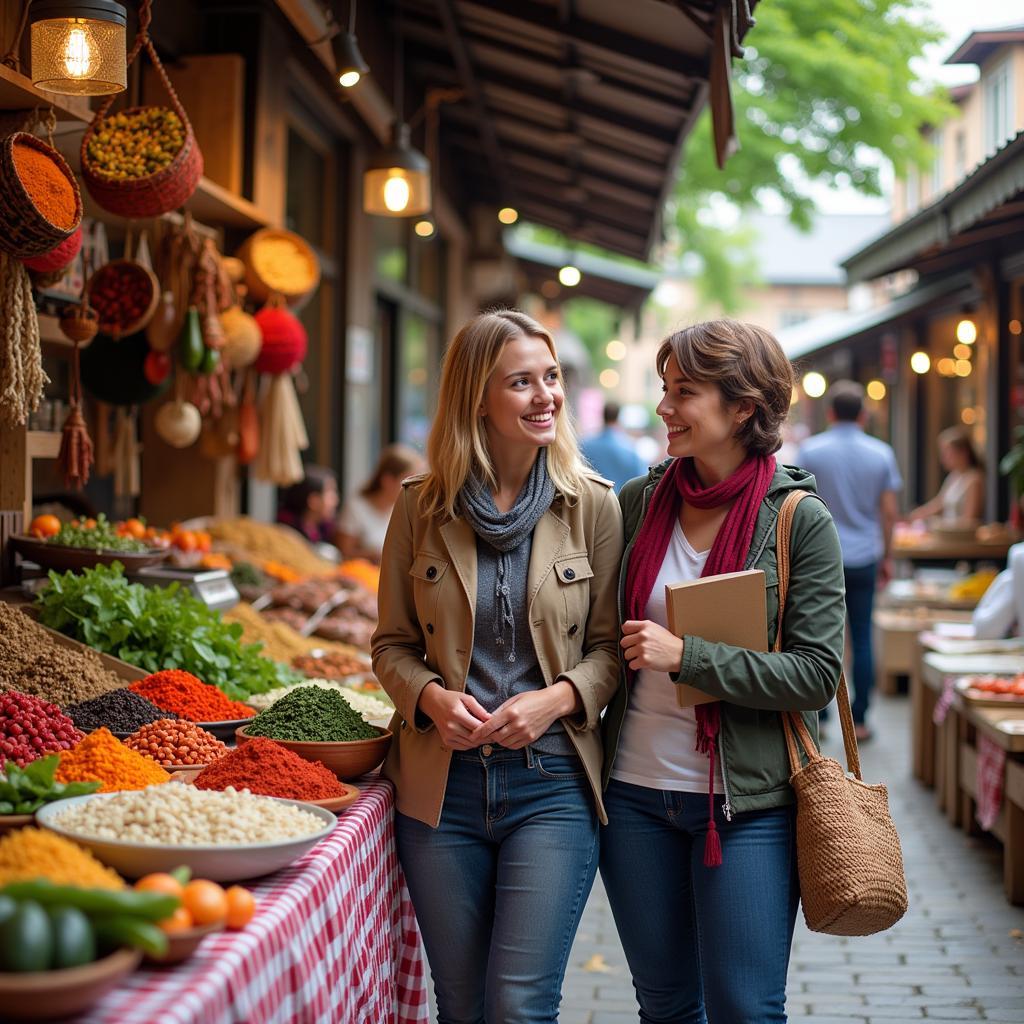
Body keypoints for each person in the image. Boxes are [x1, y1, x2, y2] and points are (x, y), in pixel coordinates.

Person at [371, 309, 623, 1024]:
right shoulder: (421, 506)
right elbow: (389, 643)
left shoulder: (594, 507)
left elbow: (611, 652)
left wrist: (557, 699)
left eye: (552, 378)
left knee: (516, 1004)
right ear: (476, 397)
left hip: (551, 785)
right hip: (439, 791)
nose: (547, 396)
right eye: (522, 382)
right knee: (460, 1004)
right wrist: (429, 699)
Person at [600, 319, 846, 1024]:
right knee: (667, 1005)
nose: (664, 409)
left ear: (743, 407)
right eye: (664, 390)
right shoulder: (639, 503)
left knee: (745, 1007)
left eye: (684, 392)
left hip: (747, 807)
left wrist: (690, 657)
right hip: (634, 797)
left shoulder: (799, 520)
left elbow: (816, 673)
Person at [798, 380, 902, 740]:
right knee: (861, 634)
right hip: (864, 556)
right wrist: (888, 555)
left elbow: (796, 504)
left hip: (817, 557)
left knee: (815, 635)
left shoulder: (810, 451)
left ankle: (822, 717)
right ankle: (858, 720)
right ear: (863, 414)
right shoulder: (881, 453)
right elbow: (889, 512)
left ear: (829, 413)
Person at [337, 444, 425, 562]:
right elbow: (344, 554)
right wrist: (374, 556)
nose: (415, 489)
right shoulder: (356, 508)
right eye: (409, 482)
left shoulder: (409, 511)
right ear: (387, 481)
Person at [909, 426, 985, 523]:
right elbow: (940, 502)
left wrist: (941, 525)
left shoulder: (974, 480)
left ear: (963, 453)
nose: (943, 458)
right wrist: (919, 513)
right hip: (947, 534)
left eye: (947, 453)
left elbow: (969, 520)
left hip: (959, 536)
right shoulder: (953, 476)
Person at [581, 401, 647, 493]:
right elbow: (641, 482)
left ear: (603, 416)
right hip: (621, 504)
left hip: (591, 503)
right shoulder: (630, 449)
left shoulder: (584, 445)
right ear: (618, 417)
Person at [276, 465, 340, 545]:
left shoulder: (326, 530)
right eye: (331, 494)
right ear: (313, 501)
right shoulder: (285, 534)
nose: (336, 500)